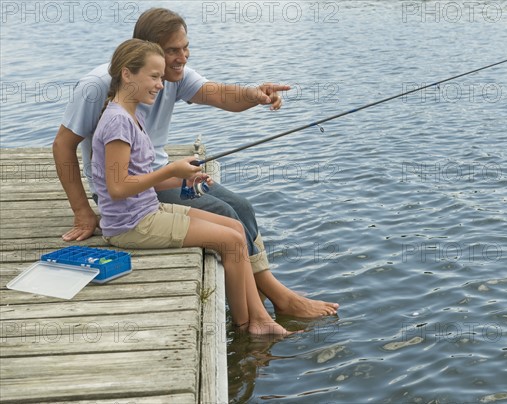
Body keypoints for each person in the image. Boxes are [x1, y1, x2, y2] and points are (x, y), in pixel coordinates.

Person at [53, 7, 338, 318]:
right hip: (130, 189)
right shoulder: (97, 85)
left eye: (185, 47)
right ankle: (273, 298)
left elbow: (222, 96)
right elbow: (63, 147)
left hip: (162, 176)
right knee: (223, 212)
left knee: (241, 206)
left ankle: (263, 297)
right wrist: (83, 212)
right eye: (173, 50)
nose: (183, 57)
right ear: (147, 51)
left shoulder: (171, 76)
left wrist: (254, 95)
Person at [92, 38, 290, 335]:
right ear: (127, 74)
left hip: (148, 209)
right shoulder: (119, 121)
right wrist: (171, 169)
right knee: (231, 242)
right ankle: (248, 324)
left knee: (235, 229)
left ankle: (259, 315)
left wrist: (184, 178)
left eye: (161, 77)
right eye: (154, 77)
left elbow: (143, 177)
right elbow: (118, 187)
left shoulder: (131, 115)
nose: (160, 85)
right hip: (132, 224)